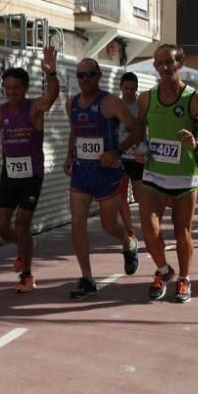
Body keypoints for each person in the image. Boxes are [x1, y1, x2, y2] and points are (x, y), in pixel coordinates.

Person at [0, 46, 60, 293]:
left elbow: (51, 96)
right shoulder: (1, 111)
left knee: (22, 223)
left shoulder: (34, 108)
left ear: (25, 88)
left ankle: (27, 275)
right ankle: (25, 245)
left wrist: (51, 74)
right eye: (6, 88)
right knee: (0, 225)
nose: (11, 92)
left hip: (32, 176)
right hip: (10, 174)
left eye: (15, 87)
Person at [135, 44, 198, 303]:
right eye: (159, 63)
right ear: (155, 66)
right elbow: (140, 130)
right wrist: (139, 148)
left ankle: (184, 278)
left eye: (169, 63)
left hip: (184, 178)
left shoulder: (194, 99)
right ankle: (164, 270)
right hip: (154, 175)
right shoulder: (146, 98)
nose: (164, 67)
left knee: (182, 232)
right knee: (149, 230)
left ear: (179, 64)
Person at [63, 58, 143, 299]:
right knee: (78, 223)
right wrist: (69, 156)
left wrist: (117, 152)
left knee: (109, 225)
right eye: (80, 75)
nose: (85, 79)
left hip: (107, 173)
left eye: (89, 74)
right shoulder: (71, 104)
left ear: (98, 76)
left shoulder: (110, 102)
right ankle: (87, 278)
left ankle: (128, 242)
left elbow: (137, 129)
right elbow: (75, 132)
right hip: (82, 172)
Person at [117, 72, 143, 247]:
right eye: (126, 88)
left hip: (137, 157)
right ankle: (130, 230)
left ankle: (147, 226)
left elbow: (145, 130)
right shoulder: (114, 105)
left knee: (141, 197)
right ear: (121, 87)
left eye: (132, 89)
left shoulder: (141, 106)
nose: (129, 92)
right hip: (119, 157)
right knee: (120, 197)